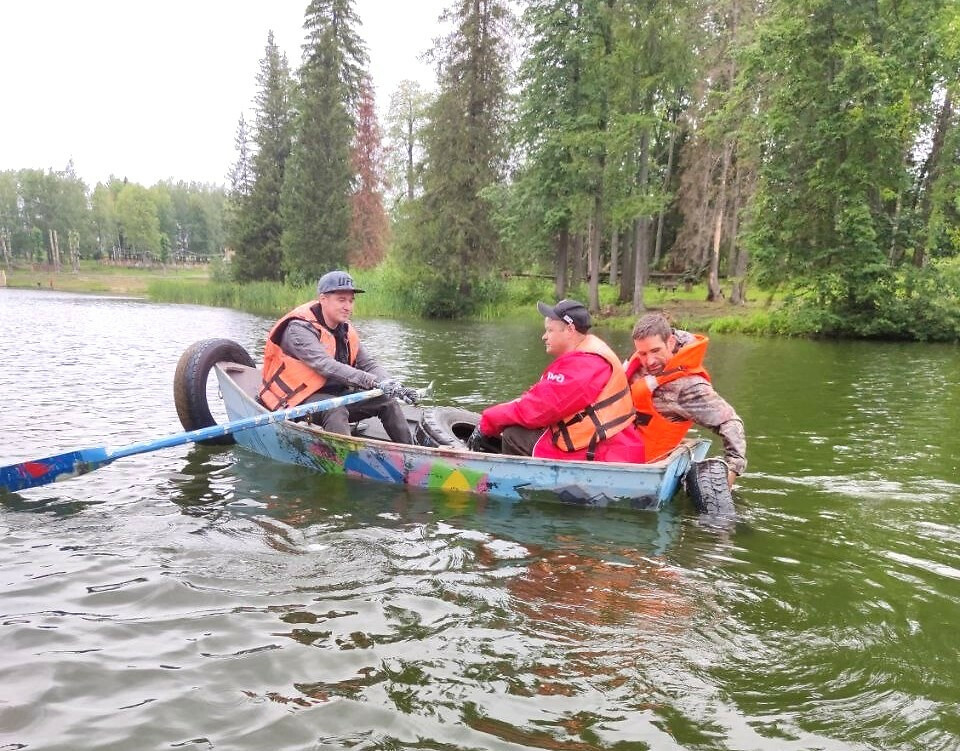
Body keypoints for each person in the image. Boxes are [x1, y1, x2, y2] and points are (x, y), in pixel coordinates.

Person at [467, 299, 646, 463]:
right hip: (611, 447)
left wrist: (488, 422)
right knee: (517, 426)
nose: (544, 336)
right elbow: (537, 400)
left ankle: (521, 489)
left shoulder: (584, 365)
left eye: (550, 330)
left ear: (569, 329)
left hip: (606, 455)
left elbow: (537, 409)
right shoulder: (587, 355)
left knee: (514, 435)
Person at [258, 270, 419, 443]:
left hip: (334, 395)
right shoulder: (298, 329)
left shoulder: (345, 329)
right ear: (323, 299)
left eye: (351, 301)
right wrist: (373, 382)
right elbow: (326, 365)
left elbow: (369, 364)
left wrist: (391, 384)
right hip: (297, 400)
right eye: (341, 300)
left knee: (386, 400)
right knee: (336, 409)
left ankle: (412, 454)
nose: (347, 306)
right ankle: (343, 462)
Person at [625, 313, 746, 487]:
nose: (649, 361)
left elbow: (730, 422)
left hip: (647, 470)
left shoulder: (689, 386)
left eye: (655, 351)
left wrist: (732, 471)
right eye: (642, 353)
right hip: (619, 451)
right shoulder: (641, 368)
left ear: (671, 342)